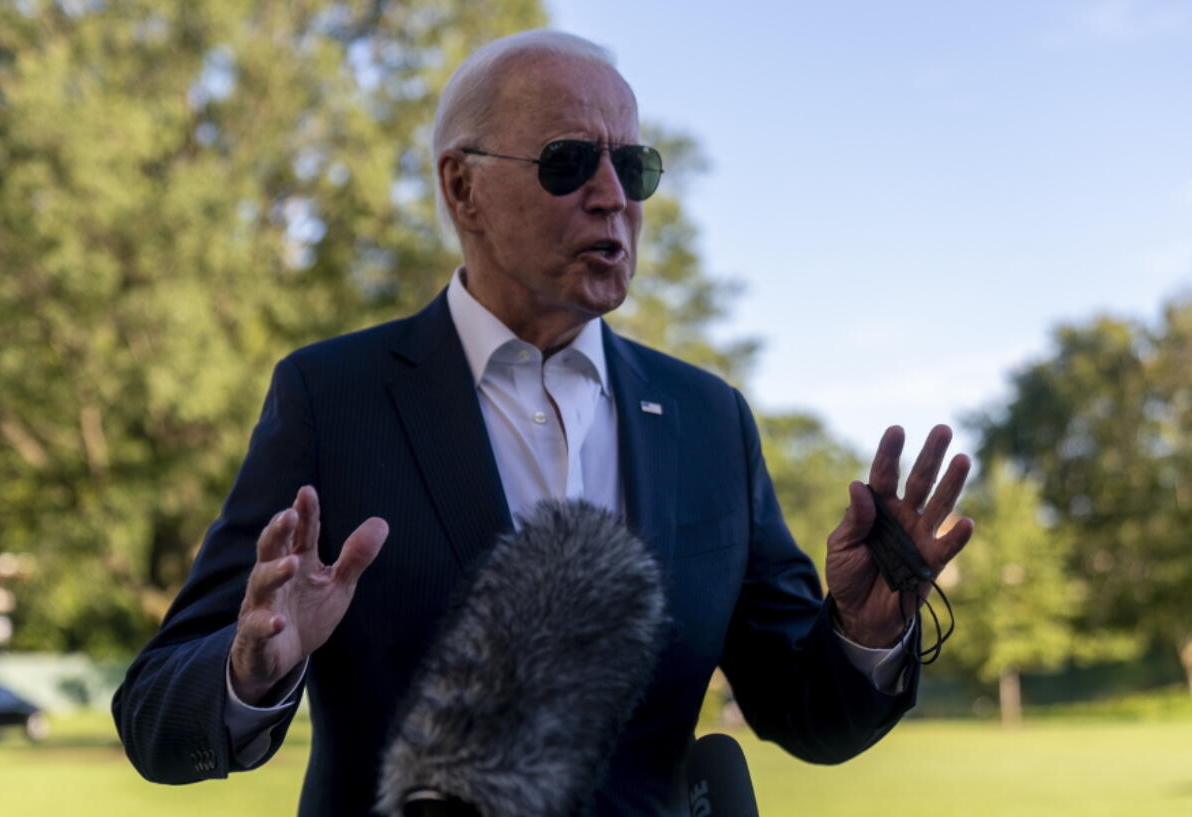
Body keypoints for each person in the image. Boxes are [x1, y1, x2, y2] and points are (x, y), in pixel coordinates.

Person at [112, 29, 974, 817]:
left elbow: (805, 710)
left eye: (632, 167)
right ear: (464, 187)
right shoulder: (333, 398)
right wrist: (250, 668)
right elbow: (157, 711)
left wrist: (865, 630)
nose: (611, 197)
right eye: (568, 162)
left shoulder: (710, 420)